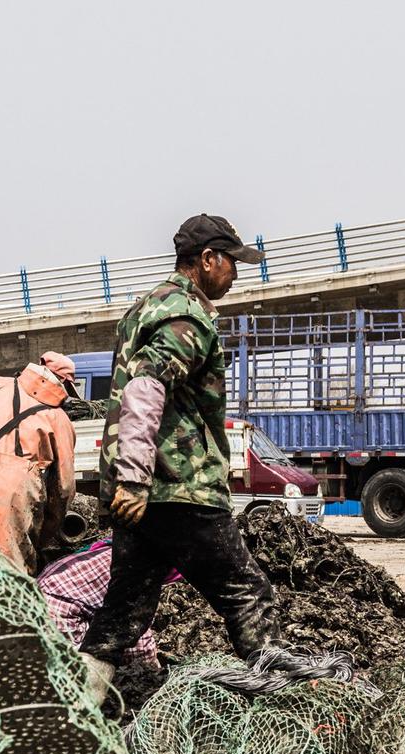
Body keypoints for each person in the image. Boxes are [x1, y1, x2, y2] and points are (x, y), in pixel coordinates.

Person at [77, 215, 275, 699]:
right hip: (178, 487)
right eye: (231, 262)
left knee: (124, 609)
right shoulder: (187, 315)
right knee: (247, 593)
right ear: (207, 260)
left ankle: (79, 707)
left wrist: (129, 483)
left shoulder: (145, 307)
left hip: (146, 496)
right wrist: (137, 478)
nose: (235, 273)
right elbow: (146, 387)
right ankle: (282, 707)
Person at [0, 353, 79, 572]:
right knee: (12, 573)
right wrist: (45, 533)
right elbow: (63, 487)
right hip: (18, 492)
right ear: (63, 383)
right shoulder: (59, 419)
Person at [40, 540, 162, 669]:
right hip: (56, 619)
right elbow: (131, 625)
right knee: (99, 664)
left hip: (33, 605)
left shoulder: (117, 549)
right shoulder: (138, 566)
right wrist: (153, 670)